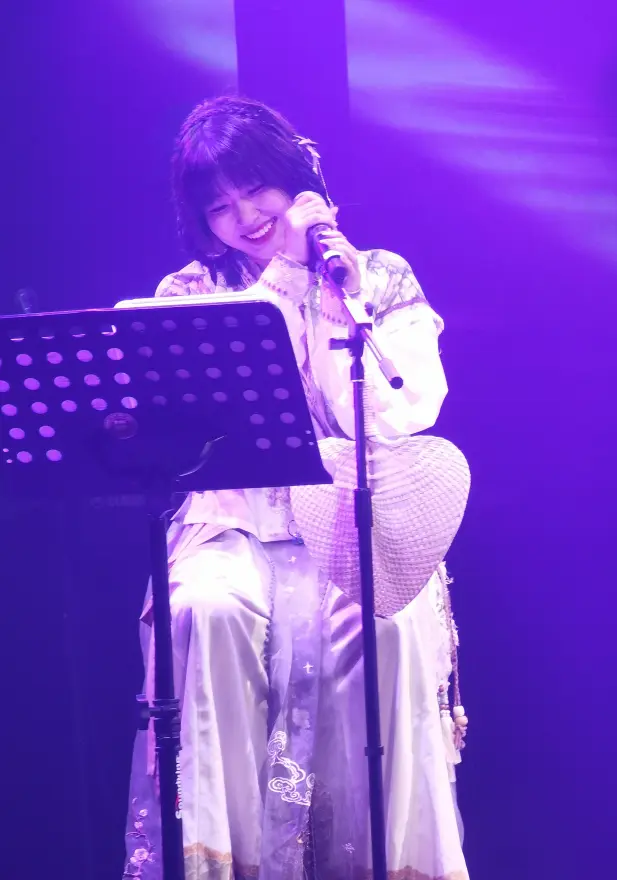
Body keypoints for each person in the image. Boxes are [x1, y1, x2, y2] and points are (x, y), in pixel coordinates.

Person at [123, 95, 470, 880]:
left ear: (298, 178)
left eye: (256, 190)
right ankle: (222, 863)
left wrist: (335, 291)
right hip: (236, 522)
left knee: (385, 630)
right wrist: (282, 275)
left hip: (353, 516)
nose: (245, 217)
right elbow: (233, 403)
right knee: (201, 610)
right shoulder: (190, 292)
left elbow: (398, 411)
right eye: (219, 207)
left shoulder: (376, 276)